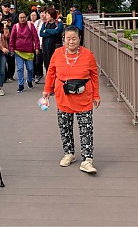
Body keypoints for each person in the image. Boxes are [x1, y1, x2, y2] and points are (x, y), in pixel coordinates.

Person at [42, 25, 100, 174]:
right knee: (65, 128)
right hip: (63, 96)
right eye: (68, 39)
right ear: (63, 39)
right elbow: (51, 73)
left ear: (79, 38)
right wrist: (47, 90)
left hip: (84, 97)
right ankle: (69, 154)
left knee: (86, 129)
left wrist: (96, 95)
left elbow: (94, 76)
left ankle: (87, 160)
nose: (71, 42)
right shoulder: (57, 53)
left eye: (74, 38)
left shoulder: (88, 54)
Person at [9, 11, 40, 93]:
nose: (22, 19)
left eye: (24, 17)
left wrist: (37, 47)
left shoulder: (30, 26)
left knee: (30, 68)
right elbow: (12, 39)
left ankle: (29, 81)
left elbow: (35, 37)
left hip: (29, 51)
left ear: (26, 18)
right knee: (20, 68)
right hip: (18, 51)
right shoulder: (15, 26)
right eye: (20, 17)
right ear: (18, 19)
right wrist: (11, 49)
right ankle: (21, 85)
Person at [40, 7, 63, 72]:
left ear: (52, 15)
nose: (46, 16)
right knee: (47, 64)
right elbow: (41, 33)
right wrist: (52, 32)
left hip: (55, 47)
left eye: (47, 15)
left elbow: (58, 31)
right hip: (46, 48)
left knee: (56, 64)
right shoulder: (45, 24)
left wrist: (46, 30)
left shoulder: (58, 23)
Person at [1, 1, 18, 82]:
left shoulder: (14, 16)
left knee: (11, 58)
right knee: (2, 58)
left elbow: (16, 27)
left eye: (8, 6)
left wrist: (9, 25)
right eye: (5, 6)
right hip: (1, 39)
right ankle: (4, 76)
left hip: (11, 39)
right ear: (2, 7)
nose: (7, 8)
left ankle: (10, 75)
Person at [30, 9, 45, 83]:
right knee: (37, 62)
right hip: (38, 45)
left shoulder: (48, 22)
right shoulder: (37, 22)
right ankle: (38, 75)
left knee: (46, 62)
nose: (42, 14)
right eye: (41, 13)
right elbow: (34, 34)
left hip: (46, 45)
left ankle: (43, 75)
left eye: (44, 13)